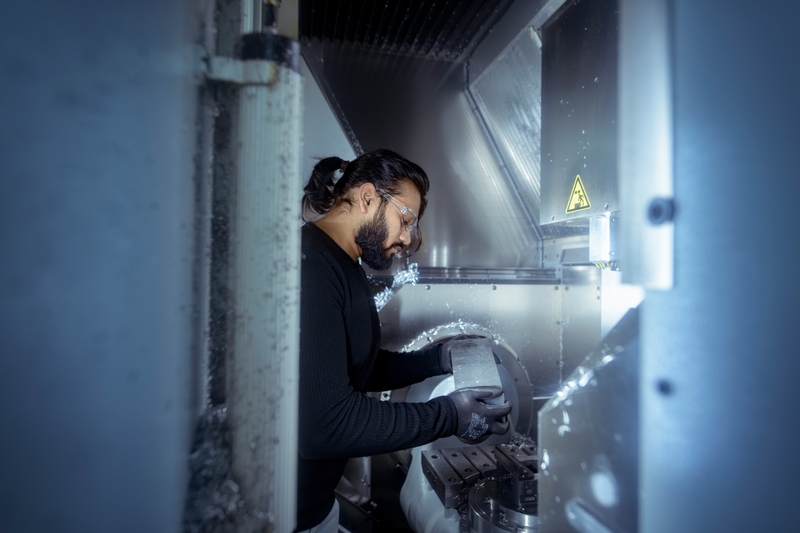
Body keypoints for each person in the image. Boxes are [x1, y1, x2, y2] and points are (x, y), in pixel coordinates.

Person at [295, 149, 512, 533]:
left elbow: (356, 365)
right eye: (405, 219)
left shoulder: (344, 263)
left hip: (316, 507)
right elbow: (326, 426)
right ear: (366, 198)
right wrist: (451, 414)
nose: (407, 238)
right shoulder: (311, 268)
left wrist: (435, 359)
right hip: (289, 518)